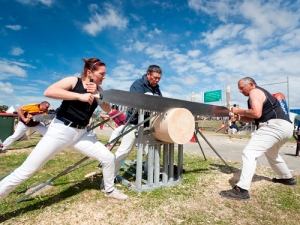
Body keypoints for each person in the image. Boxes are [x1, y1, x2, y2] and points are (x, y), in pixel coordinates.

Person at [0, 58, 128, 201]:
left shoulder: (99, 89)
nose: (104, 77)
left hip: (81, 133)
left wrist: (97, 96)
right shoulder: (74, 81)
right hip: (60, 130)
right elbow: (49, 92)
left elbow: (107, 108)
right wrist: (79, 96)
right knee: (28, 170)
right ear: (90, 72)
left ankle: (109, 190)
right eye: (102, 74)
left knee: (108, 157)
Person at [220, 77, 296, 201]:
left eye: (241, 87)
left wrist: (239, 110)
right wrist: (239, 117)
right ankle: (286, 177)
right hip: (286, 127)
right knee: (272, 153)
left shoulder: (255, 92)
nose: (240, 91)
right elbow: (254, 118)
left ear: (251, 84)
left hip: (274, 126)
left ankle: (241, 189)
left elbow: (256, 113)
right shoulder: (258, 96)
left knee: (249, 153)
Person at [100, 65, 162, 192]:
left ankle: (150, 173)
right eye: (155, 78)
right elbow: (137, 103)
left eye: (159, 79)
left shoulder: (157, 88)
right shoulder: (137, 85)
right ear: (148, 74)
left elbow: (160, 103)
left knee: (152, 151)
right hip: (134, 123)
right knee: (123, 151)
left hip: (147, 124)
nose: (157, 81)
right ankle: (107, 181)